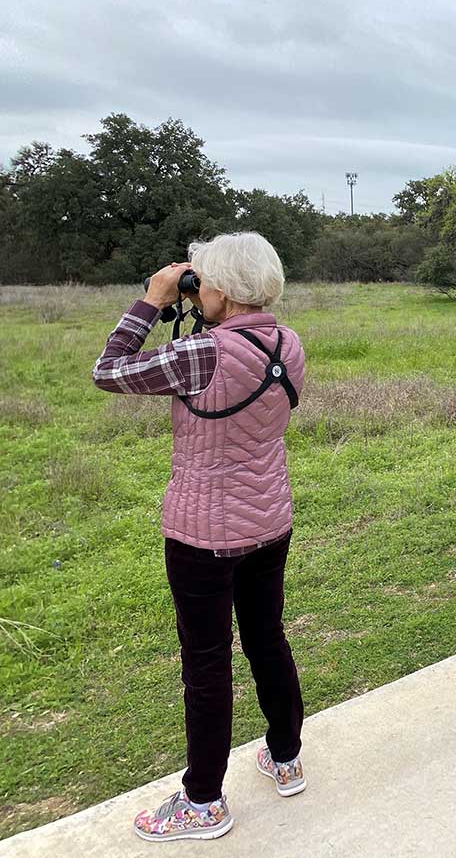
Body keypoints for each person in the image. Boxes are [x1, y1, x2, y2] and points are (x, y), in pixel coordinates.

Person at [92, 233, 307, 842]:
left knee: (207, 663)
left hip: (201, 532)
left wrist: (149, 302)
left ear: (224, 289)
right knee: (267, 638)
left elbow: (108, 372)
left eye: (203, 279)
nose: (197, 287)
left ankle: (204, 802)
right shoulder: (287, 342)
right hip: (269, 521)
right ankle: (285, 758)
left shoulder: (200, 353)